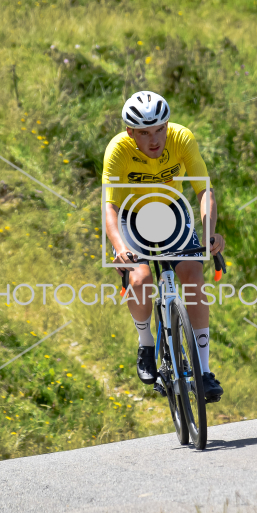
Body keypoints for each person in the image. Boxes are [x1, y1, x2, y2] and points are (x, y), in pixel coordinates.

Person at [102, 90, 225, 401]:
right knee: (141, 280)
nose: (154, 139)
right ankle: (145, 343)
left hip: (172, 213)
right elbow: (110, 207)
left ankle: (204, 371)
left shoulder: (182, 139)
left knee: (194, 278)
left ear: (168, 125)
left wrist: (209, 233)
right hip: (132, 216)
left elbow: (204, 191)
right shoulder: (117, 150)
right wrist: (119, 247)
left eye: (159, 129)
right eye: (144, 133)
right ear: (130, 132)